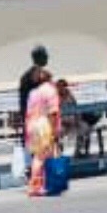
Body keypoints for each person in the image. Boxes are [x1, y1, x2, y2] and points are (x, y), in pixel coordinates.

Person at [25, 67, 62, 197]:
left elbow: (29, 112)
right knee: (43, 157)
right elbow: (53, 112)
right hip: (44, 125)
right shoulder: (51, 91)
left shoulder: (33, 93)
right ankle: (36, 186)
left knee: (40, 156)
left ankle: (44, 184)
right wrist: (54, 130)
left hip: (32, 125)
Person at [17, 45, 50, 138]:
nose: (48, 57)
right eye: (45, 56)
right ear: (39, 57)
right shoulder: (37, 75)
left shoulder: (27, 75)